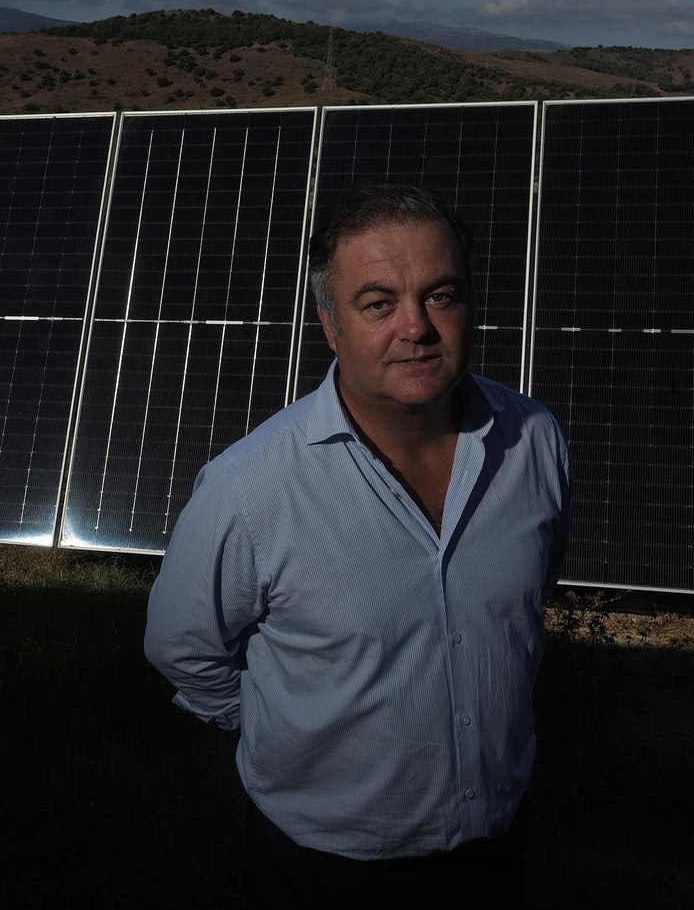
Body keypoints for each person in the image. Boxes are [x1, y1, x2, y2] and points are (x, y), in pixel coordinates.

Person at [143, 183, 571, 905]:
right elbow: (182, 647)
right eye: (379, 304)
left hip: (496, 844)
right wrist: (290, 728)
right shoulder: (251, 488)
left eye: (441, 295)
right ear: (330, 325)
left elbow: (526, 606)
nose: (416, 328)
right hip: (323, 868)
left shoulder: (535, 443)